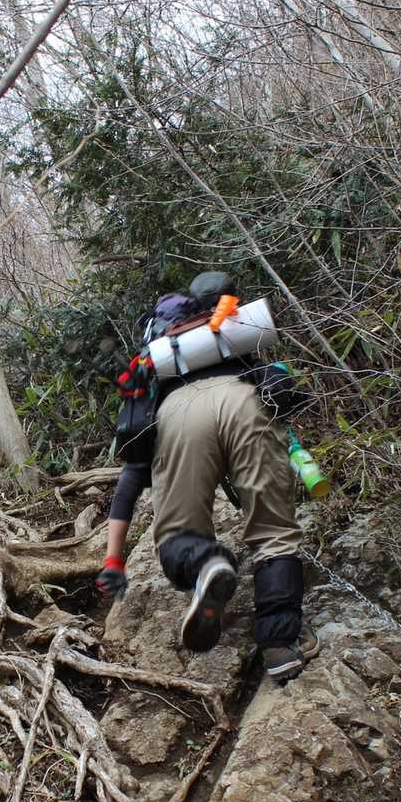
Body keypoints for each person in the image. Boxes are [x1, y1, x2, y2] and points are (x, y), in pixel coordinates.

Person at [95, 277, 311, 683]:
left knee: (180, 534)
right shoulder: (229, 341)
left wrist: (113, 561)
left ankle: (207, 563)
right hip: (245, 401)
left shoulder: (159, 377)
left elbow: (130, 483)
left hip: (179, 416)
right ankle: (280, 646)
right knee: (274, 535)